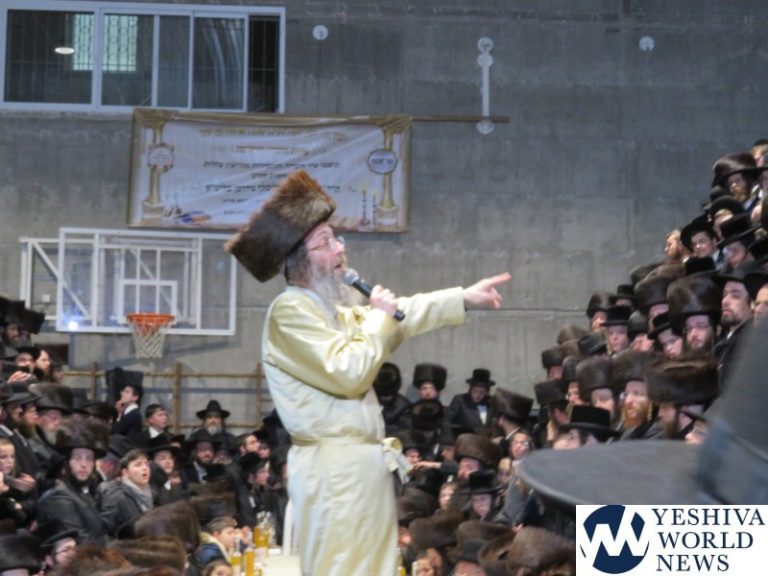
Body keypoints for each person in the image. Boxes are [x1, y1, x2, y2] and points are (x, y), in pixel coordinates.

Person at [225, 169, 510, 576]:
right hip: (332, 468)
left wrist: (462, 297)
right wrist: (378, 317)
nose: (340, 248)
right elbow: (349, 371)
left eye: (336, 238)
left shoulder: (333, 311)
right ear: (300, 261)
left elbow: (402, 316)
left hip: (357, 464)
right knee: (344, 568)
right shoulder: (290, 311)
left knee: (373, 567)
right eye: (325, 243)